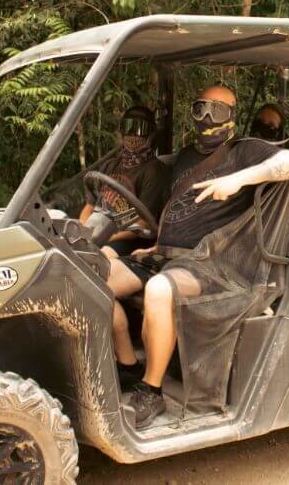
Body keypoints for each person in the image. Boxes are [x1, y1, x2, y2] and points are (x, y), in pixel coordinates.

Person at [121, 85, 289, 427]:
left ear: (232, 116)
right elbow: (175, 211)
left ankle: (151, 390)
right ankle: (123, 365)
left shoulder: (244, 150)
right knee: (93, 275)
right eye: (200, 109)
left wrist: (240, 179)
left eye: (218, 111)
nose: (207, 118)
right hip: (167, 256)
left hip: (215, 263)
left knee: (159, 291)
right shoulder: (186, 156)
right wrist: (156, 244)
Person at [83, 106, 170, 384]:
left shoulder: (154, 171)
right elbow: (89, 207)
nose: (134, 136)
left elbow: (146, 226)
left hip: (129, 240)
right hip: (99, 234)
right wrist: (80, 236)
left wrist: (104, 240)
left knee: (91, 281)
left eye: (141, 129)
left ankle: (128, 362)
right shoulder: (111, 165)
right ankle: (114, 358)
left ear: (151, 134)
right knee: (74, 269)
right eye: (129, 127)